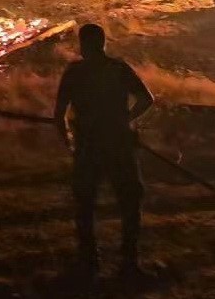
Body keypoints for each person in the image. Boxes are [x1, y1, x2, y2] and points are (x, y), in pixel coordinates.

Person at [55, 23, 154, 279]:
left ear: (83, 45)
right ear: (103, 43)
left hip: (88, 146)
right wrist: (127, 120)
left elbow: (59, 113)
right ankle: (129, 262)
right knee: (129, 202)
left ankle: (90, 261)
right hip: (119, 143)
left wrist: (67, 139)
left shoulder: (75, 73)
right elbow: (146, 99)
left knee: (86, 204)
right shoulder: (118, 69)